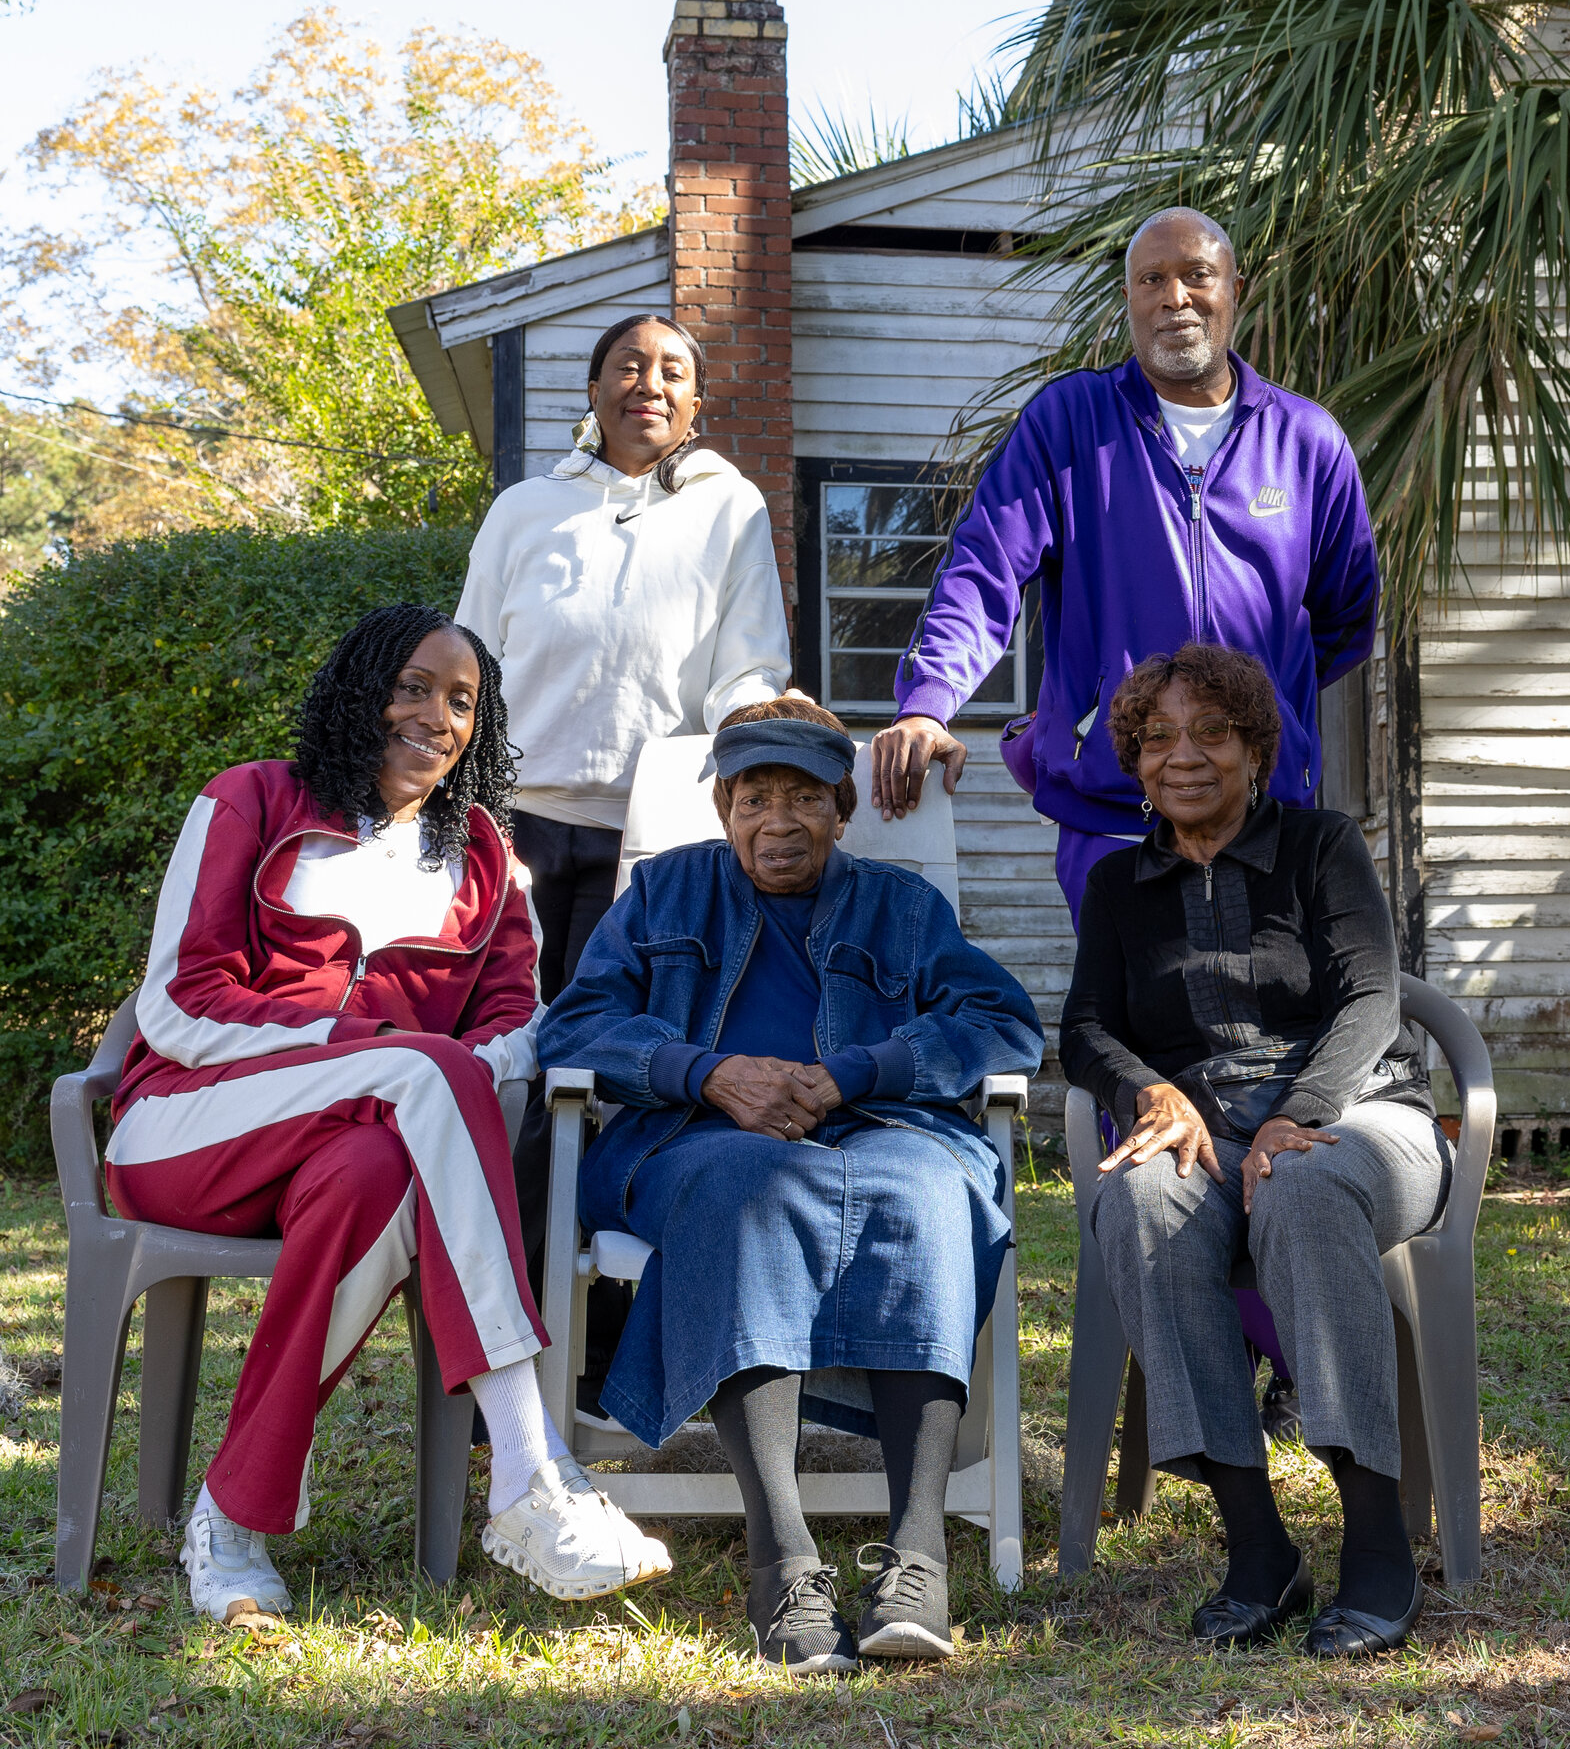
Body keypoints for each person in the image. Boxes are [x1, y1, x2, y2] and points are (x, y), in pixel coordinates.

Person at [869, 207, 1378, 1433]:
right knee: (1158, 1058)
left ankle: (1273, 1327)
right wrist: (930, 700)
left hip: (1269, 818)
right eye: (1151, 279)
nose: (1174, 299)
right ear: (1129, 298)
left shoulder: (1306, 442)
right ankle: (1220, 1334)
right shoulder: (1070, 427)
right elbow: (985, 570)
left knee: (1275, 1050)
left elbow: (1344, 614)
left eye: (1196, 276)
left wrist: (1262, 724)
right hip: (1116, 814)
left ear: (1235, 290)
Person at [106, 605, 670, 1623]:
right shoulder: (251, 799)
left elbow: (516, 1024)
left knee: (380, 1172)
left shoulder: (487, 857)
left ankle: (228, 1518)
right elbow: (181, 1002)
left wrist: (421, 1078)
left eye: (462, 702)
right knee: (426, 1072)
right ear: (360, 689)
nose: (436, 718)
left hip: (361, 1145)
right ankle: (531, 1470)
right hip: (190, 1128)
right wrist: (364, 1048)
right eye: (413, 687)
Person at [538, 696, 1043, 1675]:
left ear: (842, 812)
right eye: (755, 799)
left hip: (883, 1129)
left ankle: (918, 1552)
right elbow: (574, 1027)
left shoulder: (903, 908)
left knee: (930, 1199)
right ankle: (782, 1558)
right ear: (725, 810)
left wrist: (859, 1072)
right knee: (748, 1194)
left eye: (806, 798)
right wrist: (707, 1072)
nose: (780, 823)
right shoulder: (663, 894)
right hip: (698, 1136)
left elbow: (1003, 1024)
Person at [1060, 644, 1451, 1659]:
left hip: (1361, 1113)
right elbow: (1085, 1029)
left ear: (1256, 749)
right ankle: (1258, 1547)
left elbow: (1371, 998)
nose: (1183, 756)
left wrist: (1301, 1109)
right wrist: (1148, 1092)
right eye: (1157, 738)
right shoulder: (1118, 883)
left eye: (1211, 733)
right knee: (1140, 1201)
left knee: (1303, 1186)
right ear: (1135, 762)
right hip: (1209, 1128)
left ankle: (1377, 1543)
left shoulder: (1321, 846)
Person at [455, 312, 791, 1391]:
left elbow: (746, 669)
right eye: (629, 366)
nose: (650, 382)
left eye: (673, 370)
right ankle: (497, 1335)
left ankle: (604, 1342)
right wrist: (469, 820)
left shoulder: (728, 507)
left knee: (622, 1074)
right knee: (509, 1070)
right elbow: (470, 664)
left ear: (695, 401)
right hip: (515, 832)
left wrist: (767, 722)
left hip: (653, 842)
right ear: (595, 389)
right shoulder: (526, 509)